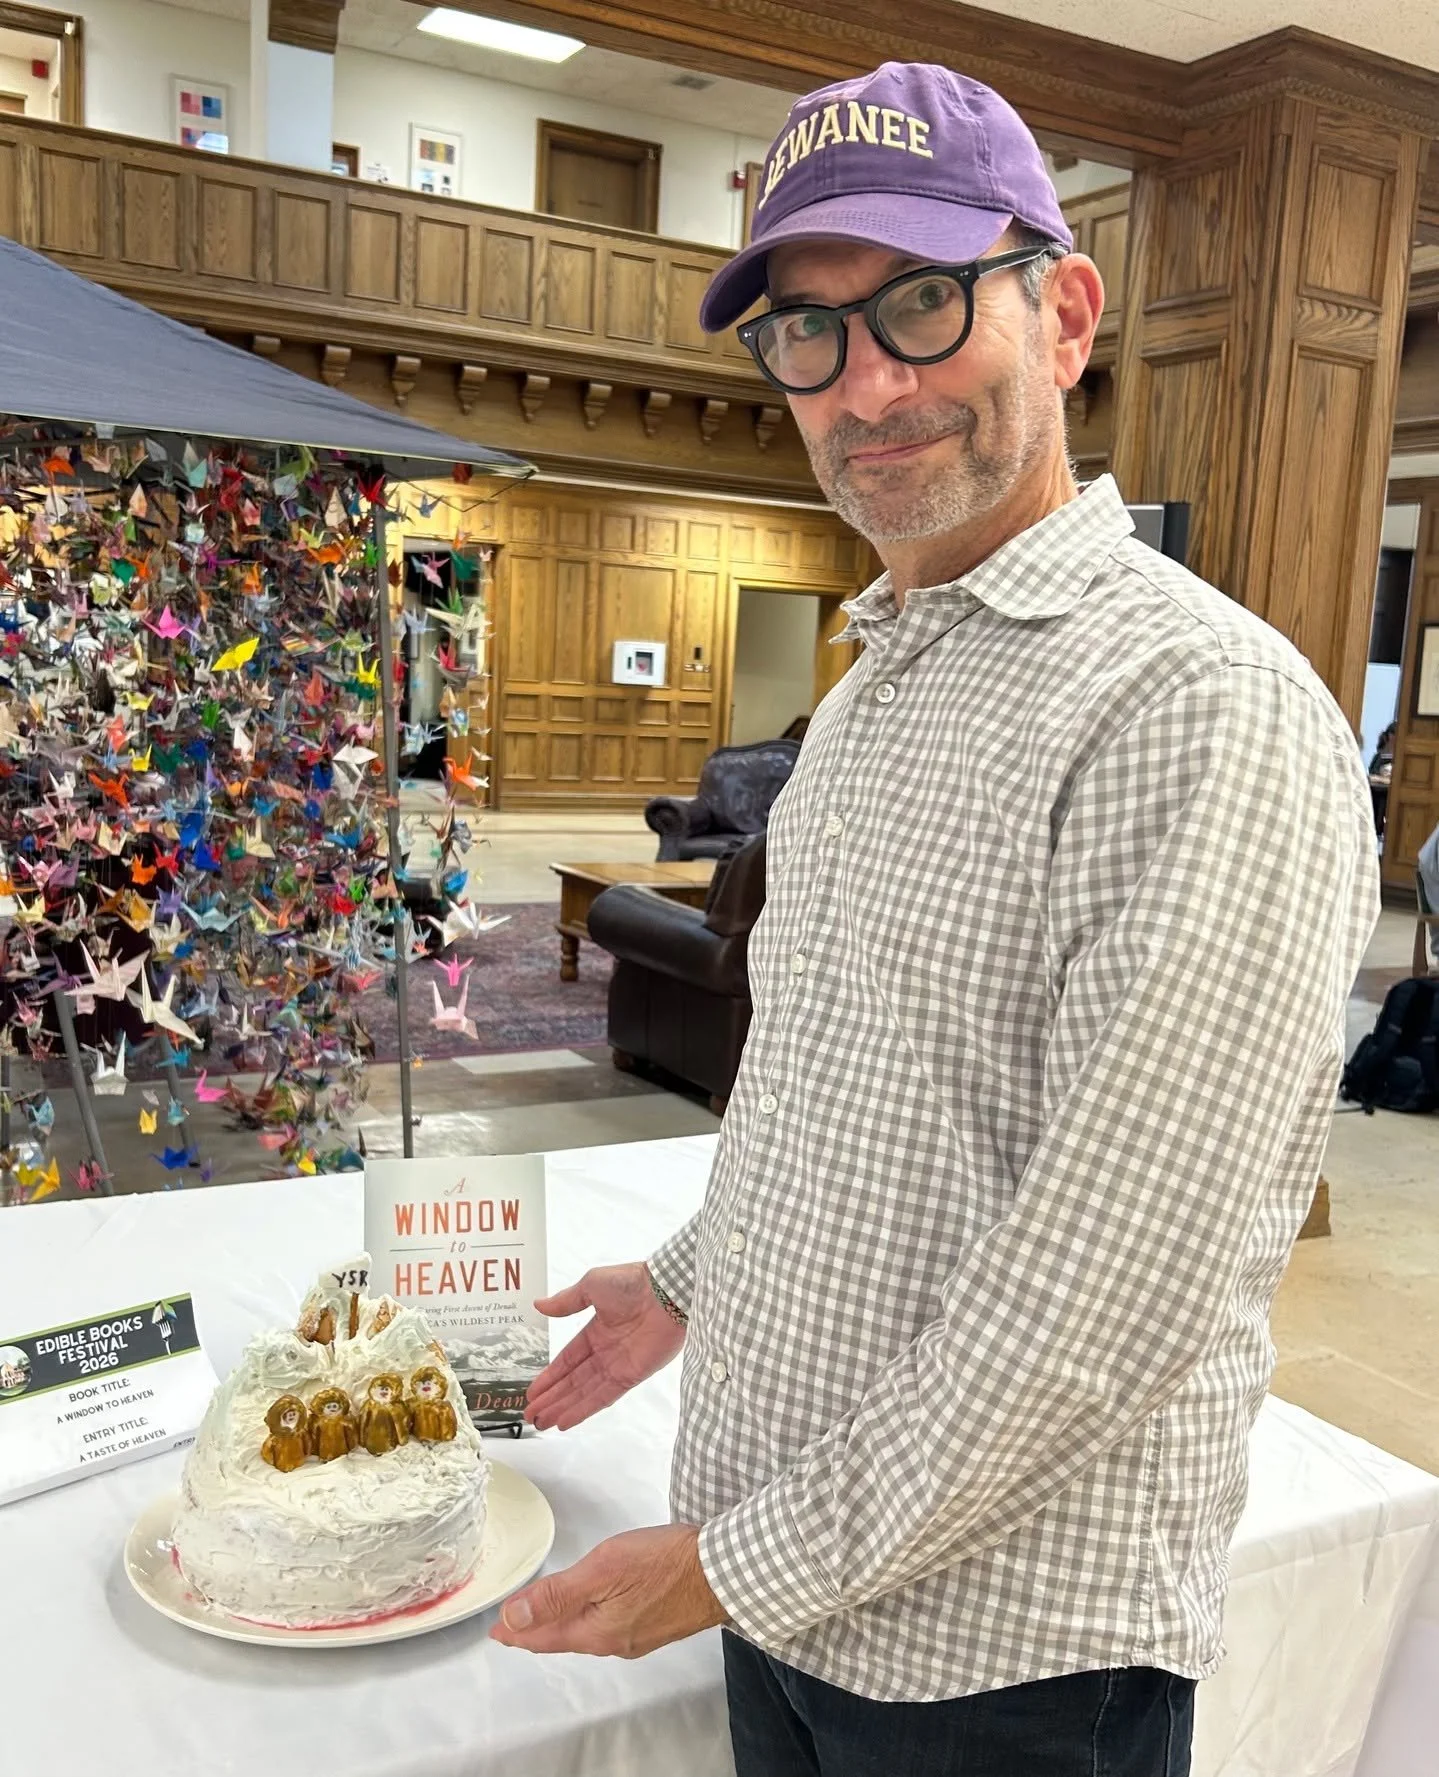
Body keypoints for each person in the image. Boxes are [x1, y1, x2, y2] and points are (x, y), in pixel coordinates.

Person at [490, 61, 1380, 1777]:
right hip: (791, 1575)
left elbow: (1105, 1296)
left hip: (1007, 1658)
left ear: (1063, 313)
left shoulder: (1198, 708)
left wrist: (725, 1569)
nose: (864, 383)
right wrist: (688, 1280)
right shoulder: (880, 677)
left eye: (916, 302)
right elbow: (841, 1086)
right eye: (803, 334)